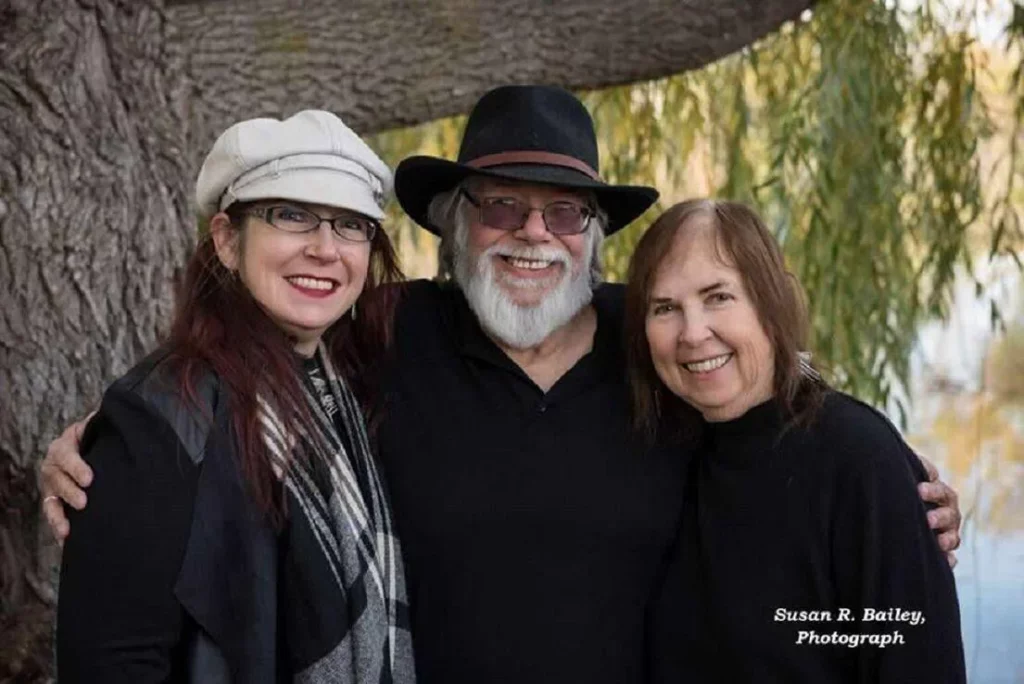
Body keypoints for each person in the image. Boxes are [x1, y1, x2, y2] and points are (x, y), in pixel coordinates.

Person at [40, 86, 963, 684]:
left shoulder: (651, 353)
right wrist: (116, 436)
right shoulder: (386, 334)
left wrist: (875, 472)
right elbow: (248, 364)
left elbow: (754, 393)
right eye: (499, 206)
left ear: (595, 236)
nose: (532, 233)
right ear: (451, 222)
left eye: (564, 211)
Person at [54, 110, 414, 682]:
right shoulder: (159, 417)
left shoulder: (353, 384)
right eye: (291, 215)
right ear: (226, 239)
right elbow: (111, 661)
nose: (325, 248)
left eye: (351, 224)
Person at [627, 199, 966, 682]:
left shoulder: (857, 459)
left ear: (769, 302)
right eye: (665, 308)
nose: (693, 332)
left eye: (718, 296)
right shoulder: (662, 447)